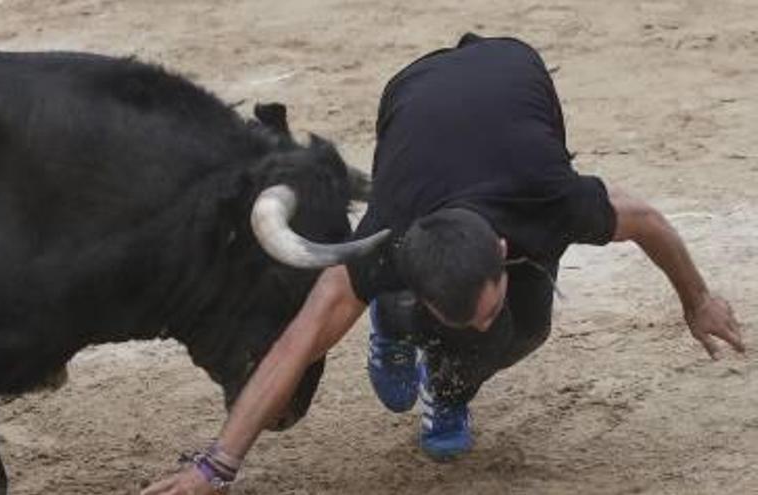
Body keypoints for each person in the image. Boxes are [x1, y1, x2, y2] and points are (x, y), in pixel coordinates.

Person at [142, 33, 744, 494]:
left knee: (527, 327)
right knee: (438, 316)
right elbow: (296, 344)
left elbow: (647, 221)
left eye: (486, 304)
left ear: (503, 254)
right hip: (414, 92)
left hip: (512, 72)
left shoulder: (550, 202)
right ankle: (396, 324)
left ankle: (451, 387)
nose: (484, 322)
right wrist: (215, 466)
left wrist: (698, 301)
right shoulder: (386, 241)